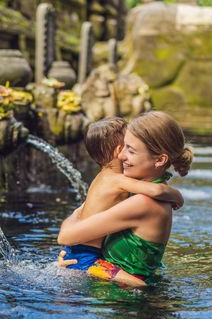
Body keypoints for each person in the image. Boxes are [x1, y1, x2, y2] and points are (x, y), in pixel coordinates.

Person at [58, 111, 193, 287]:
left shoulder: (142, 203)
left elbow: (65, 236)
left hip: (120, 304)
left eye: (130, 150)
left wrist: (81, 263)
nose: (121, 156)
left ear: (160, 160)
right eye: (124, 147)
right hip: (115, 296)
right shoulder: (135, 193)